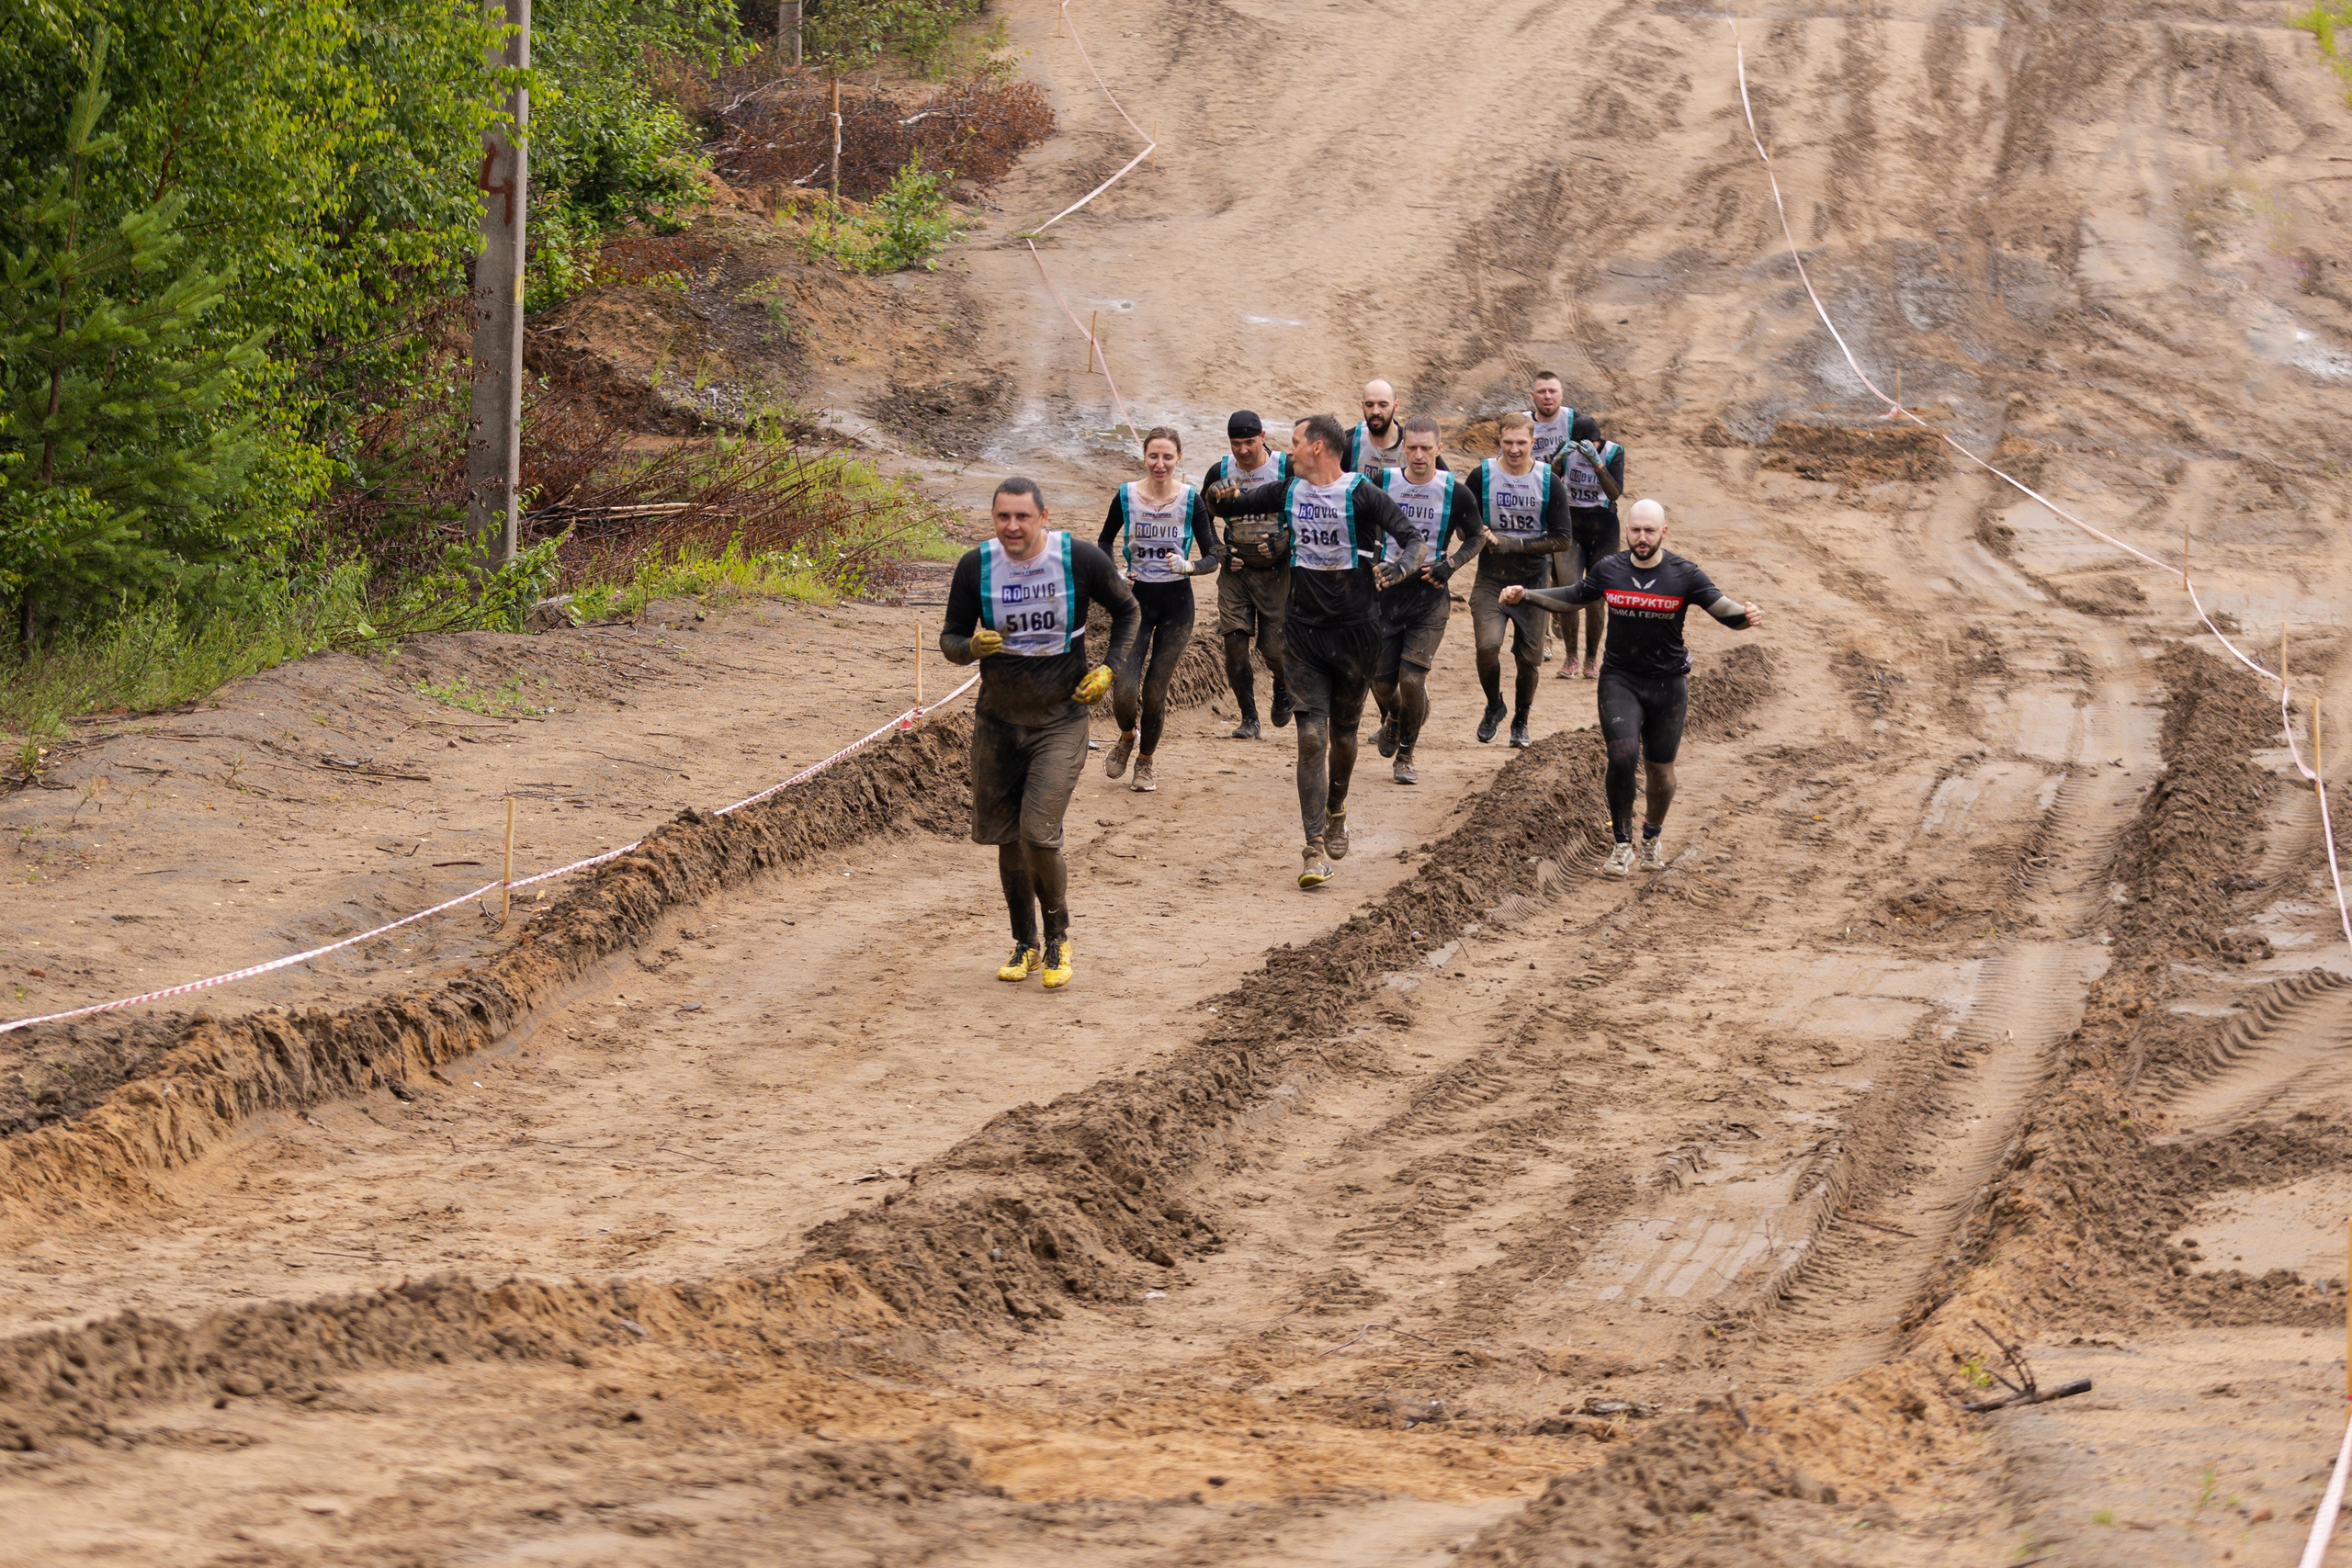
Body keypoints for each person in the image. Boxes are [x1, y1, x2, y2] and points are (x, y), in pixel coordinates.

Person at [1207, 412, 1425, 888]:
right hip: (1303, 632)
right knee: (1310, 739)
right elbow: (1233, 506)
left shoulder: (1362, 494)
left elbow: (1412, 540)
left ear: (1319, 449)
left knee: (1344, 735)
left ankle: (1337, 811)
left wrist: (1403, 567)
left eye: (1296, 443)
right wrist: (1217, 497)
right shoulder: (1290, 490)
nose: (1290, 451)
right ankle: (1312, 847)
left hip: (1356, 634)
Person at [942, 478, 1138, 987]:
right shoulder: (975, 565)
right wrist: (970, 648)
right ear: (993, 519)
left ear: (1043, 516)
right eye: (1003, 517)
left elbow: (1127, 610)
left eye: (1022, 517)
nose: (1012, 526)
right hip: (997, 724)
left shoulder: (1077, 557)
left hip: (1061, 720)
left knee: (1038, 834)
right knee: (1008, 840)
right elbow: (950, 637)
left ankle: (1058, 939)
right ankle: (1024, 943)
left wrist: (1111, 668)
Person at [1503, 497, 1762, 878]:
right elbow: (1574, 597)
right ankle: (1622, 845)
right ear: (1626, 530)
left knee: (1661, 771)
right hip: (1620, 679)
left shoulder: (1684, 574)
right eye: (1636, 530)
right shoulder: (1610, 570)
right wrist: (1527, 595)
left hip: (1668, 684)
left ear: (1664, 532)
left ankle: (1651, 837)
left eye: (1650, 531)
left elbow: (1725, 612)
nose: (1642, 538)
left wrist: (1747, 615)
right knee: (1622, 756)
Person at [1096, 427, 1219, 793]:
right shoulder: (1126, 495)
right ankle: (1125, 736)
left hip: (1177, 608)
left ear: (1179, 458)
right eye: (1154, 456)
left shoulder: (1191, 500)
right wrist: (1113, 572)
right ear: (1144, 456)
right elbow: (1104, 540)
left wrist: (1189, 566)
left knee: (1154, 692)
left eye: (1167, 457)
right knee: (1124, 689)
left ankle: (1145, 763)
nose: (1160, 464)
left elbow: (1213, 557)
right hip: (1134, 605)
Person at [1372, 417, 1482, 785]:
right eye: (1413, 447)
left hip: (1429, 594)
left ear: (1438, 449)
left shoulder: (1455, 491)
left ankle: (1406, 755)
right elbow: (1361, 529)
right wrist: (1371, 564)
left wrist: (1451, 566)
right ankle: (1396, 716)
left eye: (1426, 448)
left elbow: (1476, 537)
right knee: (1382, 684)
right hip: (1386, 594)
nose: (1419, 455)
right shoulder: (1382, 483)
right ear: (1404, 447)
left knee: (1412, 680)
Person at [1459, 412, 1571, 749]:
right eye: (1508, 442)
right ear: (1499, 442)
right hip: (1491, 577)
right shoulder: (1482, 475)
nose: (1514, 449)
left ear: (1533, 443)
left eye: (1521, 443)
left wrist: (1515, 544)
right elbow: (1464, 523)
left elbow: (1563, 538)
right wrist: (1480, 532)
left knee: (1529, 659)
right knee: (1487, 646)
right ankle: (1495, 705)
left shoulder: (1549, 480)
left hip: (1534, 581)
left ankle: (1521, 720)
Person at [1204, 411, 1292, 740]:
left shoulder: (1285, 468)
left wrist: (1285, 543)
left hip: (1276, 572)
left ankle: (1283, 685)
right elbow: (1202, 518)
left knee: (1273, 649)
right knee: (1234, 645)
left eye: (1249, 442)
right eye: (1236, 443)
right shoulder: (1220, 471)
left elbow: (1306, 508)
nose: (1243, 451)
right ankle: (1249, 718)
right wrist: (1218, 551)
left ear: (1264, 436)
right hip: (1236, 570)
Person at [1550, 412, 1625, 680]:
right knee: (1570, 591)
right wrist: (1557, 462)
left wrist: (1598, 466)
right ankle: (1570, 657)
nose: (1582, 453)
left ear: (1597, 442)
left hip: (1603, 528)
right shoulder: (1566, 448)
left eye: (1588, 447)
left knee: (1597, 597)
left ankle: (1591, 658)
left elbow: (1615, 492)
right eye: (1577, 447)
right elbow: (1549, 483)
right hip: (1572, 526)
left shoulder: (1613, 452)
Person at [1346, 378, 1406, 473]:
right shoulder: (1350, 442)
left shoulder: (1413, 445)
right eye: (1369, 405)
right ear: (1362, 405)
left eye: (1383, 405)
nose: (1375, 411)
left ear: (1396, 406)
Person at [1528, 370, 1577, 465]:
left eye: (1553, 391)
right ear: (1532, 396)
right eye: (1541, 392)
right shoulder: (1522, 423)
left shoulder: (1575, 421)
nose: (1547, 396)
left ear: (1562, 394)